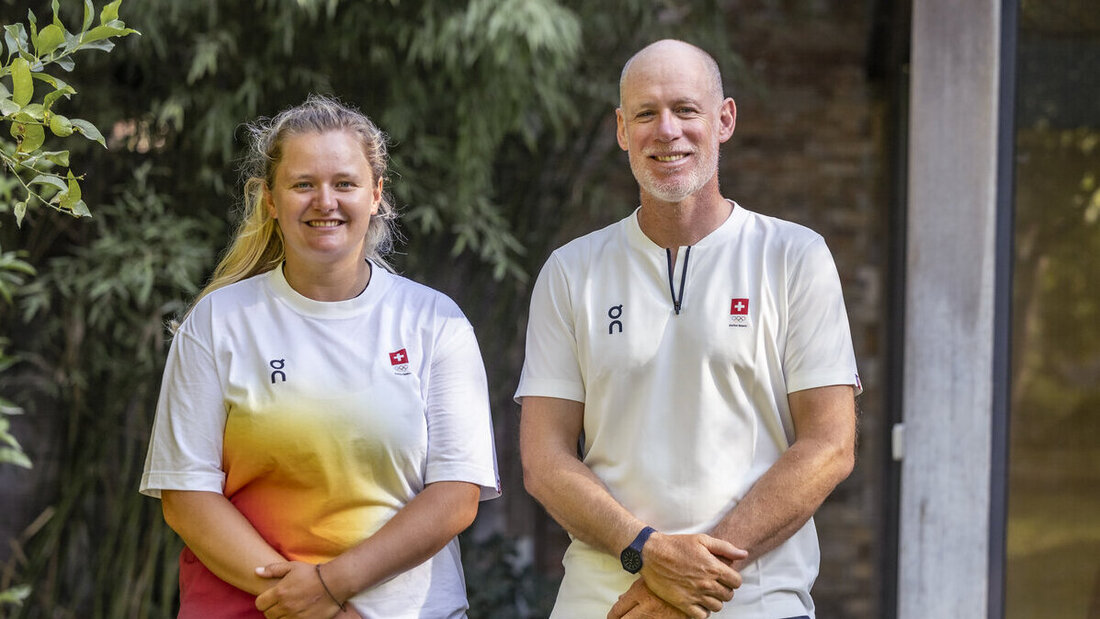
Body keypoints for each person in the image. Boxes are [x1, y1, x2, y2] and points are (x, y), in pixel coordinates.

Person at [516, 39, 860, 619]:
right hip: (605, 604)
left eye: (685, 109)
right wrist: (645, 552)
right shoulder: (571, 270)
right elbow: (544, 458)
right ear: (622, 130)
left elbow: (829, 446)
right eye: (646, 113)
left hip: (752, 603)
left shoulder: (794, 257)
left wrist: (684, 582)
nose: (666, 130)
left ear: (723, 120)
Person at [140, 95, 500, 619]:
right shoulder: (218, 322)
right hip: (255, 608)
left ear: (376, 194)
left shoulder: (435, 322)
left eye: (345, 184)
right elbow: (186, 496)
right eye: (303, 184)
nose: (324, 201)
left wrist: (331, 586)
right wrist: (316, 607)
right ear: (270, 198)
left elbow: (455, 496)